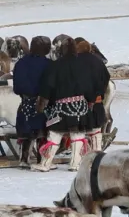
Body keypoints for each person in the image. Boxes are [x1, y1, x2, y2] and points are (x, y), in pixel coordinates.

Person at [34, 37, 109, 171]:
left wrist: (43, 104)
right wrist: (92, 98)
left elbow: (47, 87)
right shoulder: (83, 65)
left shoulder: (55, 65)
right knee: (78, 135)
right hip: (81, 107)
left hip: (60, 107)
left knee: (55, 134)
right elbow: (89, 85)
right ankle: (75, 164)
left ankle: (45, 164)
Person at [11, 36, 51, 166]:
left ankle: (24, 158)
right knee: (42, 130)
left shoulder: (20, 63)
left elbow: (16, 87)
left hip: (25, 102)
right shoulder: (48, 64)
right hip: (42, 102)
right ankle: (41, 158)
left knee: (26, 129)